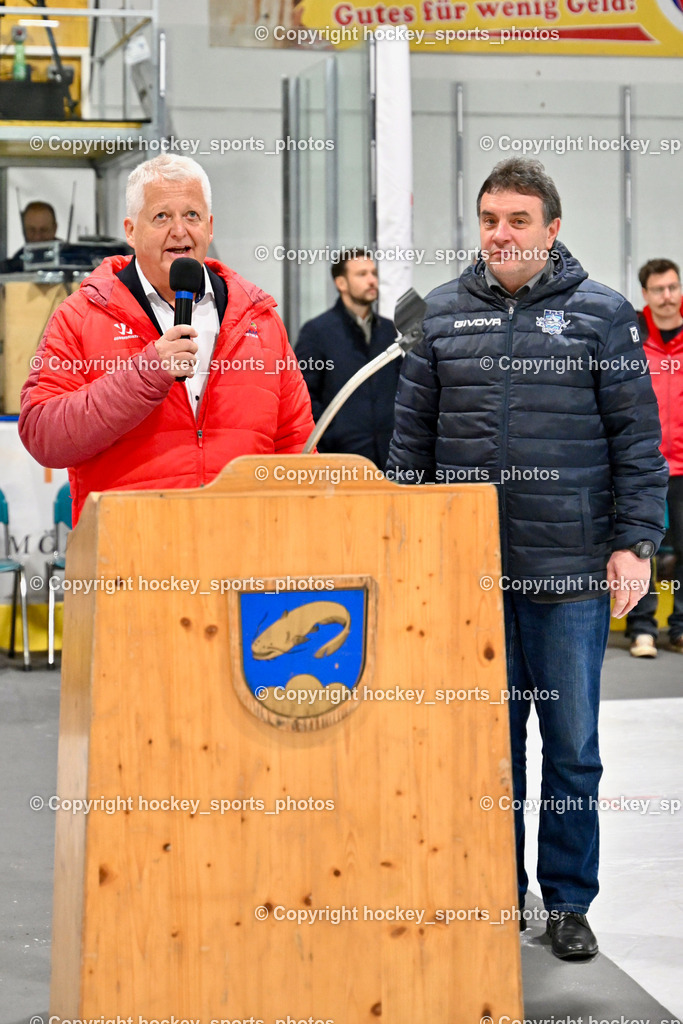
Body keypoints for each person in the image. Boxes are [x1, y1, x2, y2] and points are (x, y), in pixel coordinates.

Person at [386, 158, 667, 960]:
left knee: (571, 747)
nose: (500, 234)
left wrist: (633, 542)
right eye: (488, 220)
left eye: (516, 220)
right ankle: (493, 889)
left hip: (570, 573)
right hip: (465, 580)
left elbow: (636, 443)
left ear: (551, 229)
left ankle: (569, 902)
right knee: (486, 745)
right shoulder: (438, 317)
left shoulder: (601, 316)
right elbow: (410, 449)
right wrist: (407, 553)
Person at [19, 155, 314, 523]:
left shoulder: (260, 319)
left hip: (242, 558)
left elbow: (297, 448)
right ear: (130, 230)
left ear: (209, 227)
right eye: (162, 216)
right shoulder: (81, 316)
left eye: (191, 215)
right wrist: (145, 374)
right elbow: (43, 435)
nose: (179, 230)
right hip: (130, 560)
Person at [295, 249, 399, 468]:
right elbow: (303, 396)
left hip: (391, 459)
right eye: (362, 274)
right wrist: (332, 436)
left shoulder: (388, 330)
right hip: (341, 461)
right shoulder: (316, 332)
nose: (372, 280)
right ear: (341, 283)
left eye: (373, 273)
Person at [626, 258, 683, 658]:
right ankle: (641, 627)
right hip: (642, 466)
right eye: (659, 289)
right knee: (639, 546)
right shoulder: (631, 338)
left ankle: (679, 627)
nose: (667, 296)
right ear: (645, 294)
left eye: (673, 287)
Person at [1, 200, 59, 273]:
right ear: (24, 229)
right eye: (32, 230)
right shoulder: (13, 266)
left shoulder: (72, 262)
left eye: (43, 230)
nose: (37, 237)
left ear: (55, 229)